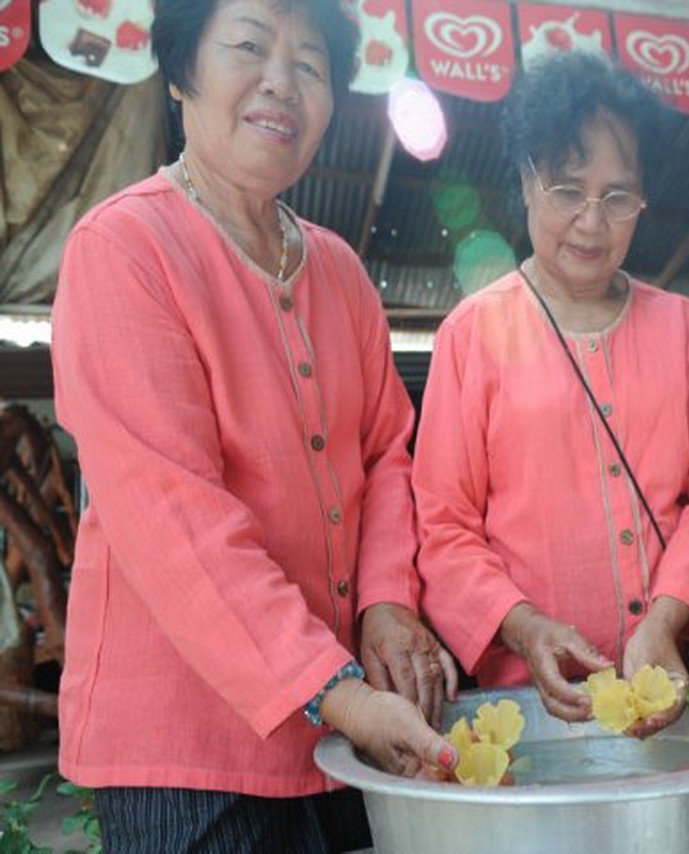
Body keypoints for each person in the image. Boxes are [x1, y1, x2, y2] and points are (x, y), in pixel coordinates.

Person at [50, 0, 458, 848]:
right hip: (183, 753)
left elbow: (386, 453)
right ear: (181, 72)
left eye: (310, 64)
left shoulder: (340, 271)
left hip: (344, 736)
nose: (282, 82)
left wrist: (386, 603)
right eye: (248, 45)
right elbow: (171, 515)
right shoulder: (123, 249)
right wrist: (338, 691)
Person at [412, 52, 689, 733]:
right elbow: (443, 531)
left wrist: (665, 621)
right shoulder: (470, 335)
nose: (592, 222)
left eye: (617, 196)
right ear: (526, 181)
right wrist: (523, 628)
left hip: (673, 684)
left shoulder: (680, 326)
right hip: (533, 707)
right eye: (568, 190)